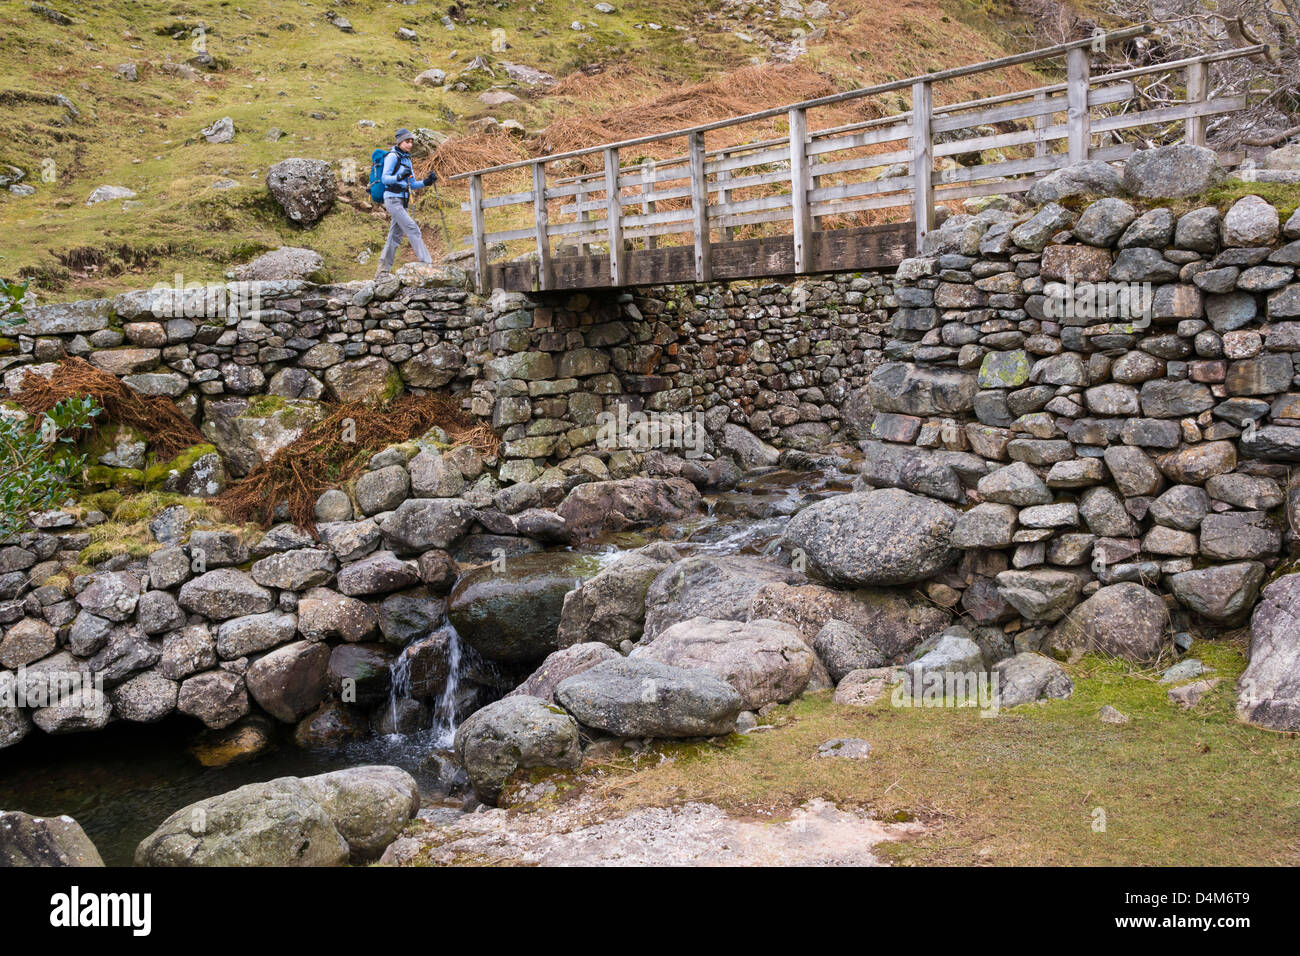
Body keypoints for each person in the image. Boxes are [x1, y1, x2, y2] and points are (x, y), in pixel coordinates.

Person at [376, 128, 438, 278]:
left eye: (411, 142)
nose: (410, 145)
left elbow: (412, 184)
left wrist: (427, 182)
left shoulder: (407, 160)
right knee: (413, 228)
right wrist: (398, 176)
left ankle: (382, 272)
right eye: (407, 141)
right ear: (399, 142)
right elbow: (385, 179)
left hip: (402, 202)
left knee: (394, 236)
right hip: (392, 199)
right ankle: (427, 264)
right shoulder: (392, 157)